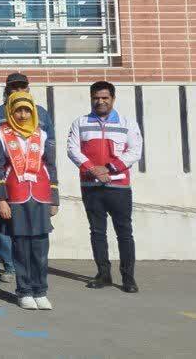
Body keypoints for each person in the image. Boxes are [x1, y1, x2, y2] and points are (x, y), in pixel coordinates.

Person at [67, 80, 142, 293]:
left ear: (113, 99)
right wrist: (93, 169)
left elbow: (135, 152)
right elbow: (73, 150)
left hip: (118, 187)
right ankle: (104, 274)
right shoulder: (79, 123)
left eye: (105, 98)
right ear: (91, 99)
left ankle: (128, 277)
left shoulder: (128, 123)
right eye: (96, 98)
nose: (100, 102)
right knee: (97, 232)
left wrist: (108, 168)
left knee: (124, 232)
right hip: (90, 186)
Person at [0, 92, 59, 311]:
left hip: (40, 195)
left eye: (26, 110)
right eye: (18, 110)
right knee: (21, 245)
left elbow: (51, 166)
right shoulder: (0, 135)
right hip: (16, 196)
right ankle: (24, 291)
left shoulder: (42, 134)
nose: (22, 114)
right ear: (10, 111)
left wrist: (54, 197)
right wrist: (1, 199)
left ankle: (41, 290)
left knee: (40, 245)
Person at [0, 72, 52, 284]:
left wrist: (55, 196)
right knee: (14, 235)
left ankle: (38, 285)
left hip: (38, 190)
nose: (17, 90)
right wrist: (0, 195)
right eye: (13, 87)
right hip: (12, 186)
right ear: (6, 89)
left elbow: (49, 158)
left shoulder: (41, 116)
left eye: (21, 86)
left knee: (39, 239)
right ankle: (11, 268)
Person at [0, 72, 54, 137]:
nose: (19, 90)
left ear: (28, 89)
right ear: (6, 90)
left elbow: (50, 140)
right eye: (14, 87)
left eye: (23, 87)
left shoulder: (41, 112)